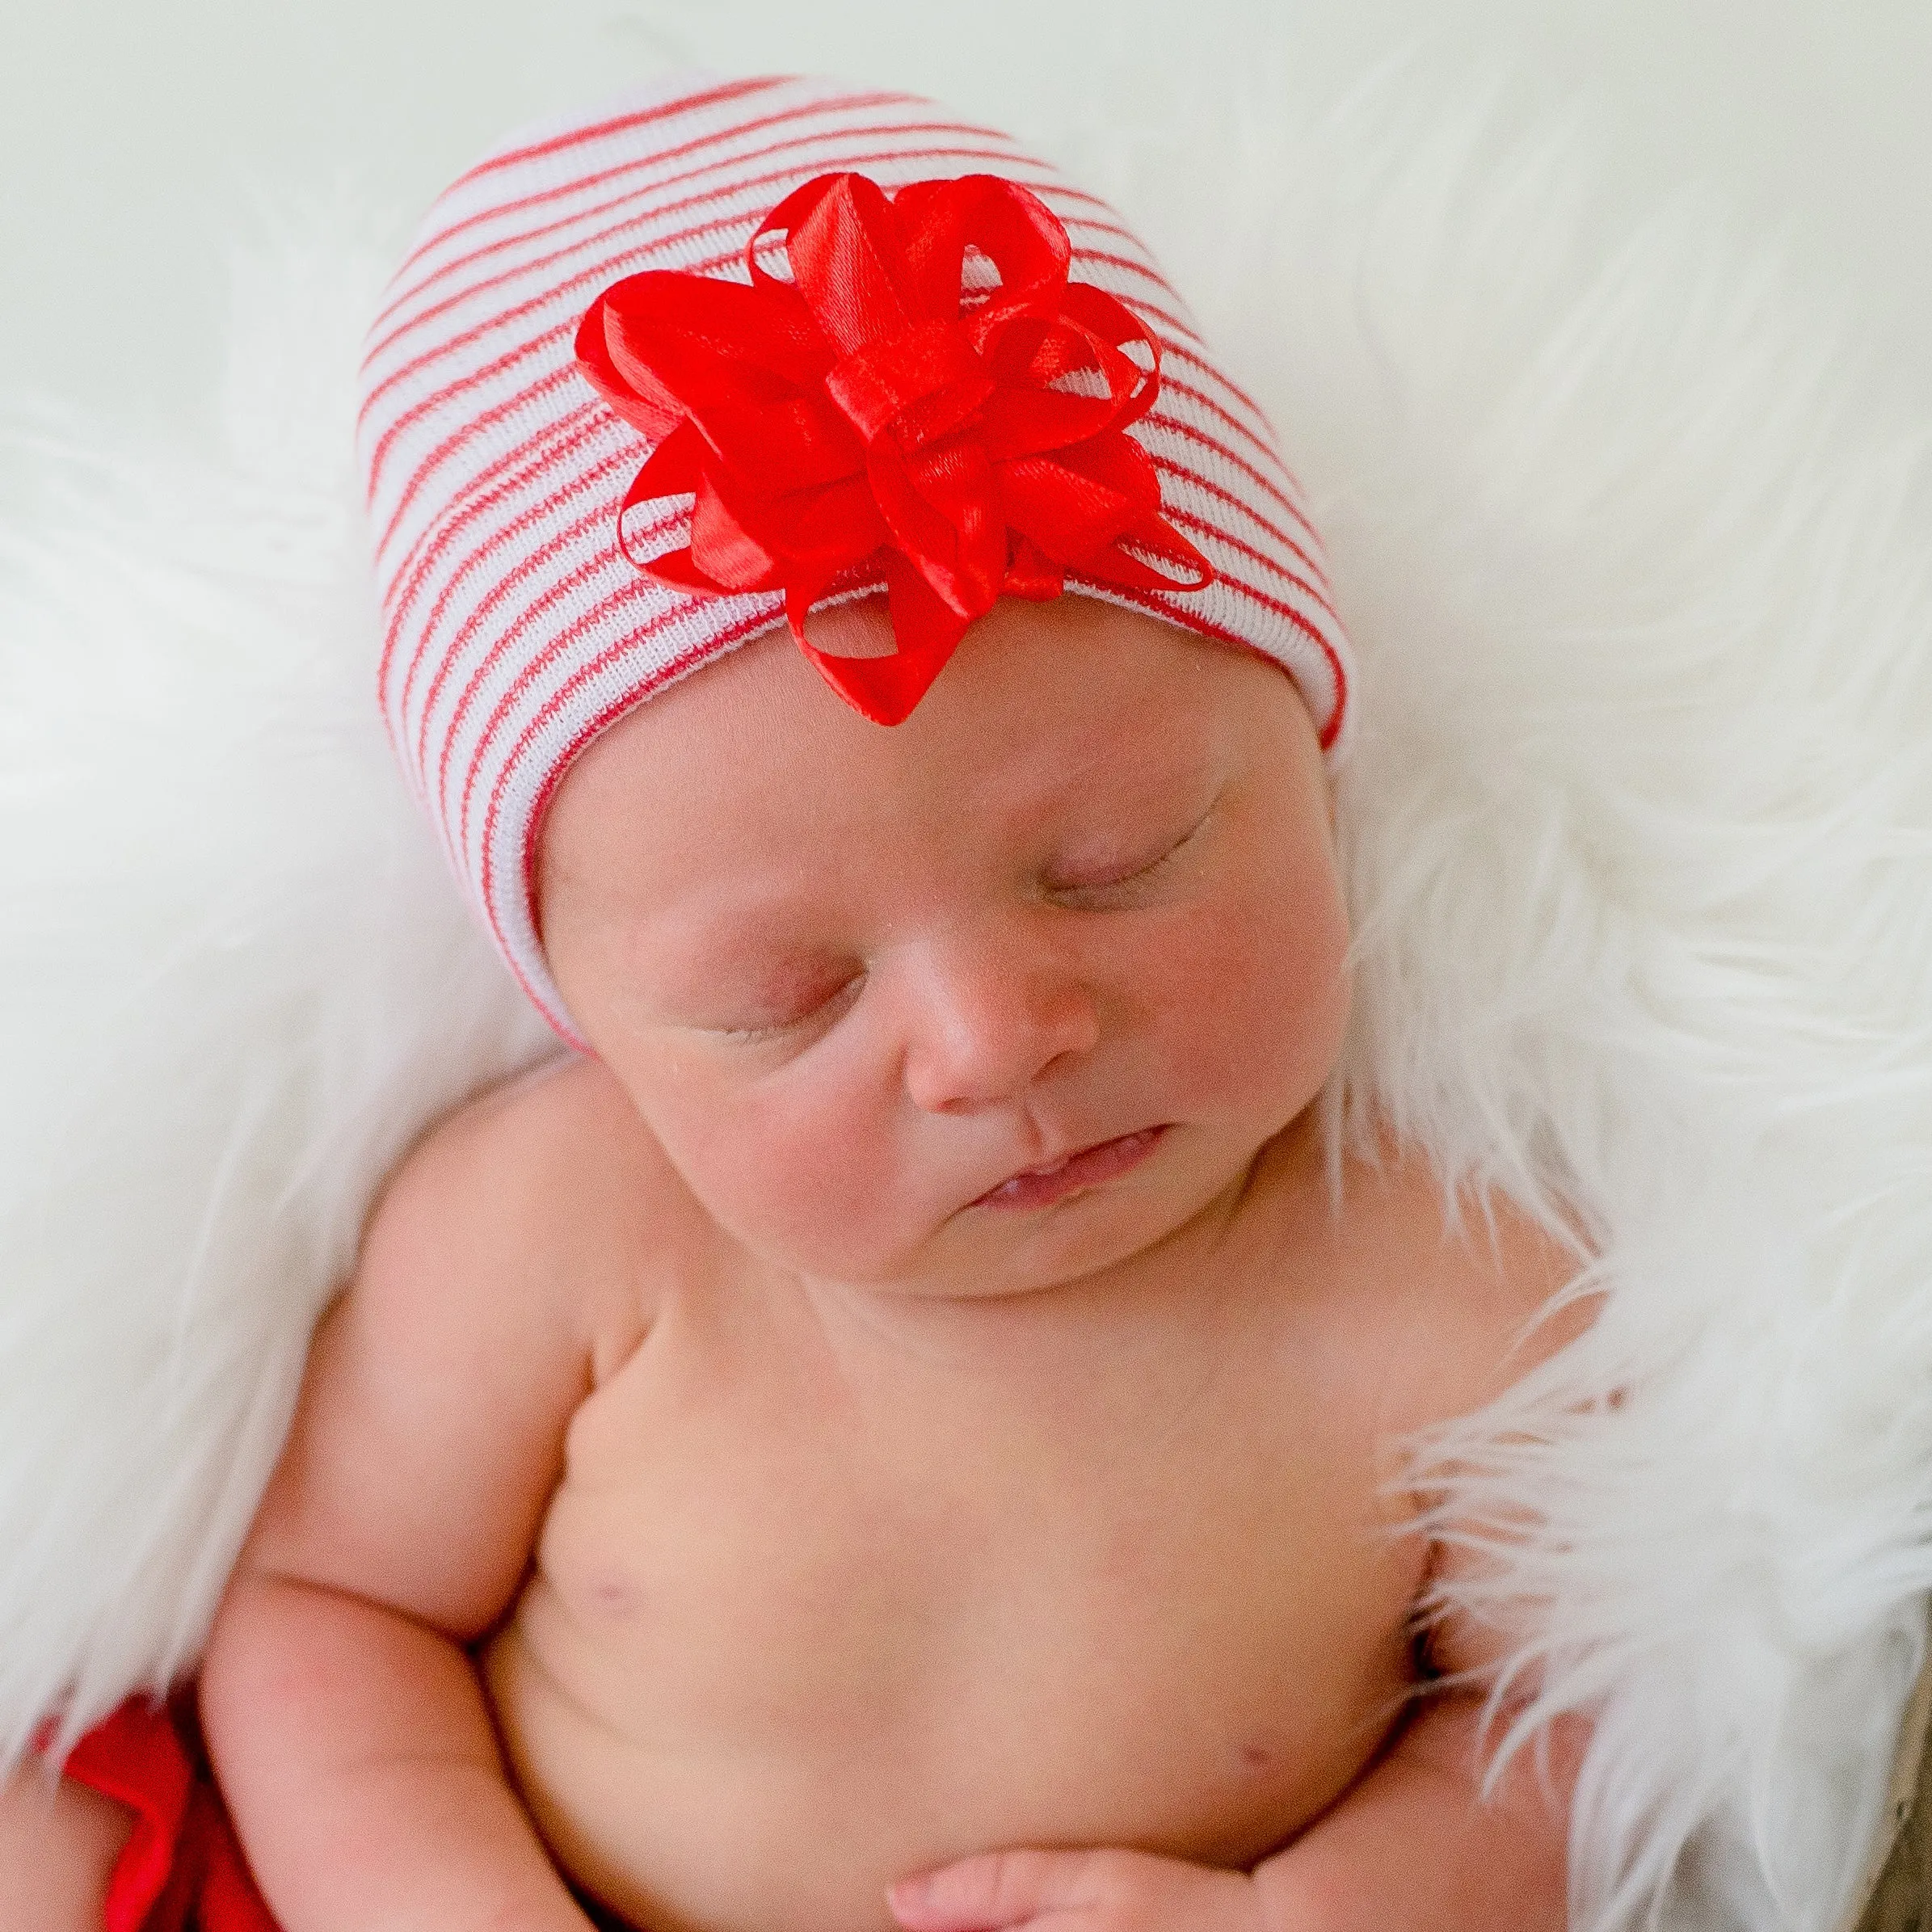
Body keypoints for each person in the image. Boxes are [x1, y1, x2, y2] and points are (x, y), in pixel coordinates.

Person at [19, 73, 1590, 1932]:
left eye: (1121, 858)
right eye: (784, 997)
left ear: (1317, 761)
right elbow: (328, 1608)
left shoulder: (1451, 1291)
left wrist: (1314, 1911)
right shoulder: (569, 1230)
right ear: (588, 1007)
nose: (996, 1038)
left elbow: (1559, 1729)